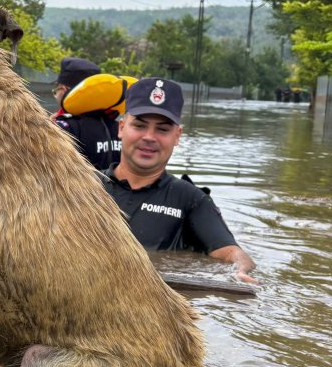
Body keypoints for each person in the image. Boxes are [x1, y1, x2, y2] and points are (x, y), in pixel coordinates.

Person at [98, 76, 257, 283]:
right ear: (121, 128)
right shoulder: (84, 185)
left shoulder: (190, 199)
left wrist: (240, 271)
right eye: (139, 126)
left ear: (177, 135)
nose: (149, 137)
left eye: (162, 129)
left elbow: (231, 253)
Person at [51, 57, 121, 170]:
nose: (56, 94)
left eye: (57, 89)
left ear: (64, 89)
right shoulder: (118, 127)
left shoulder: (66, 127)